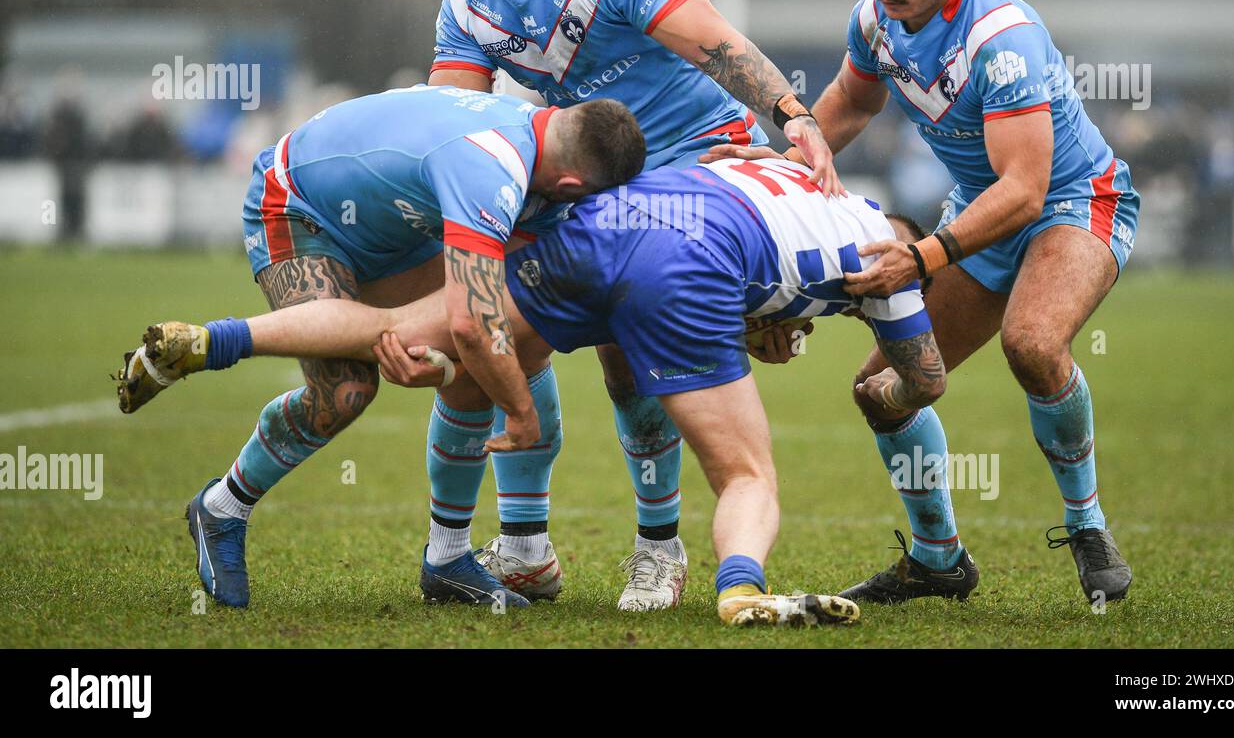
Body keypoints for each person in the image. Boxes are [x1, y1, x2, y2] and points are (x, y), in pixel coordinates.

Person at [118, 157, 946, 626]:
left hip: (607, 225)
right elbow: (926, 376)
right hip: (686, 265)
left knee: (408, 325)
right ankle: (739, 587)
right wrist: (884, 386)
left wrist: (759, 317)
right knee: (747, 474)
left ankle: (212, 339)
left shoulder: (793, 172)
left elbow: (731, 215)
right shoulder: (889, 256)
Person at [419, 0, 841, 609]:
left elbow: (716, 43)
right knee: (503, 328)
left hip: (695, 157)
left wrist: (792, 114)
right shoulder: (464, 6)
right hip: (593, 173)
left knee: (627, 345)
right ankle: (522, 546)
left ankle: (659, 547)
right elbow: (457, 121)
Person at [708, 0, 1139, 605]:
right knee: (883, 390)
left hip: (1075, 203)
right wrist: (785, 161)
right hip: (983, 209)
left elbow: (1027, 190)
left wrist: (920, 256)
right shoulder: (874, 20)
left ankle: (1087, 524)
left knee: (1033, 343)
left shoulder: (1002, 40)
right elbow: (850, 103)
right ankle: (940, 561)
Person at [117, 84, 645, 609]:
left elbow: (486, 324)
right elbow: (471, 321)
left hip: (393, 232)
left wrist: (433, 356)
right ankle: (222, 502)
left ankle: (447, 557)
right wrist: (522, 414)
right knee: (346, 391)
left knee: (481, 355)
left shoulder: (535, 148)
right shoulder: (493, 168)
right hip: (298, 206)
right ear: (573, 182)